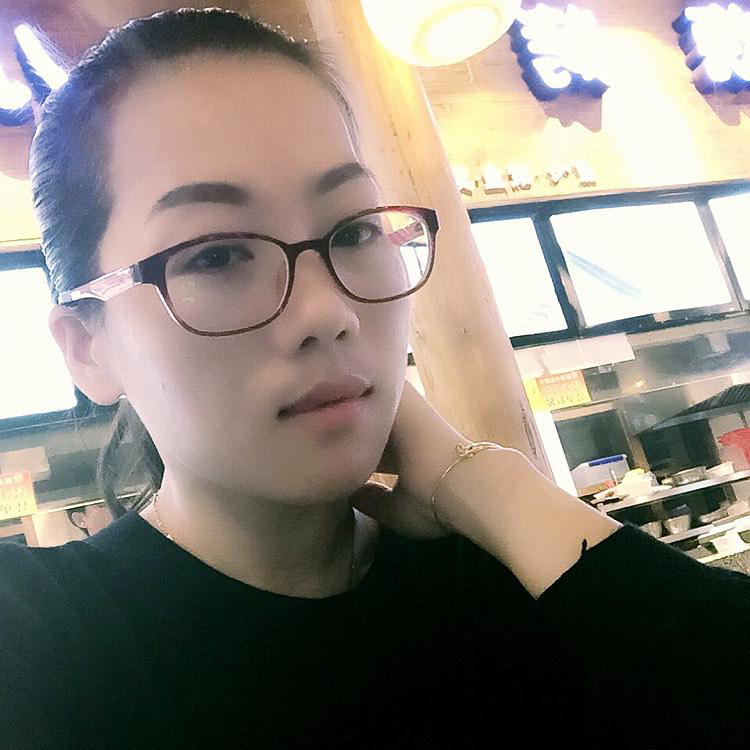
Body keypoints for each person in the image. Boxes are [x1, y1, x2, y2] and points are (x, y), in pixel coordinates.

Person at [0, 8, 748, 749]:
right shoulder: (38, 638)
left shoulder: (517, 578)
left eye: (354, 230)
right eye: (216, 255)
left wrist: (493, 486)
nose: (328, 312)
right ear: (86, 348)